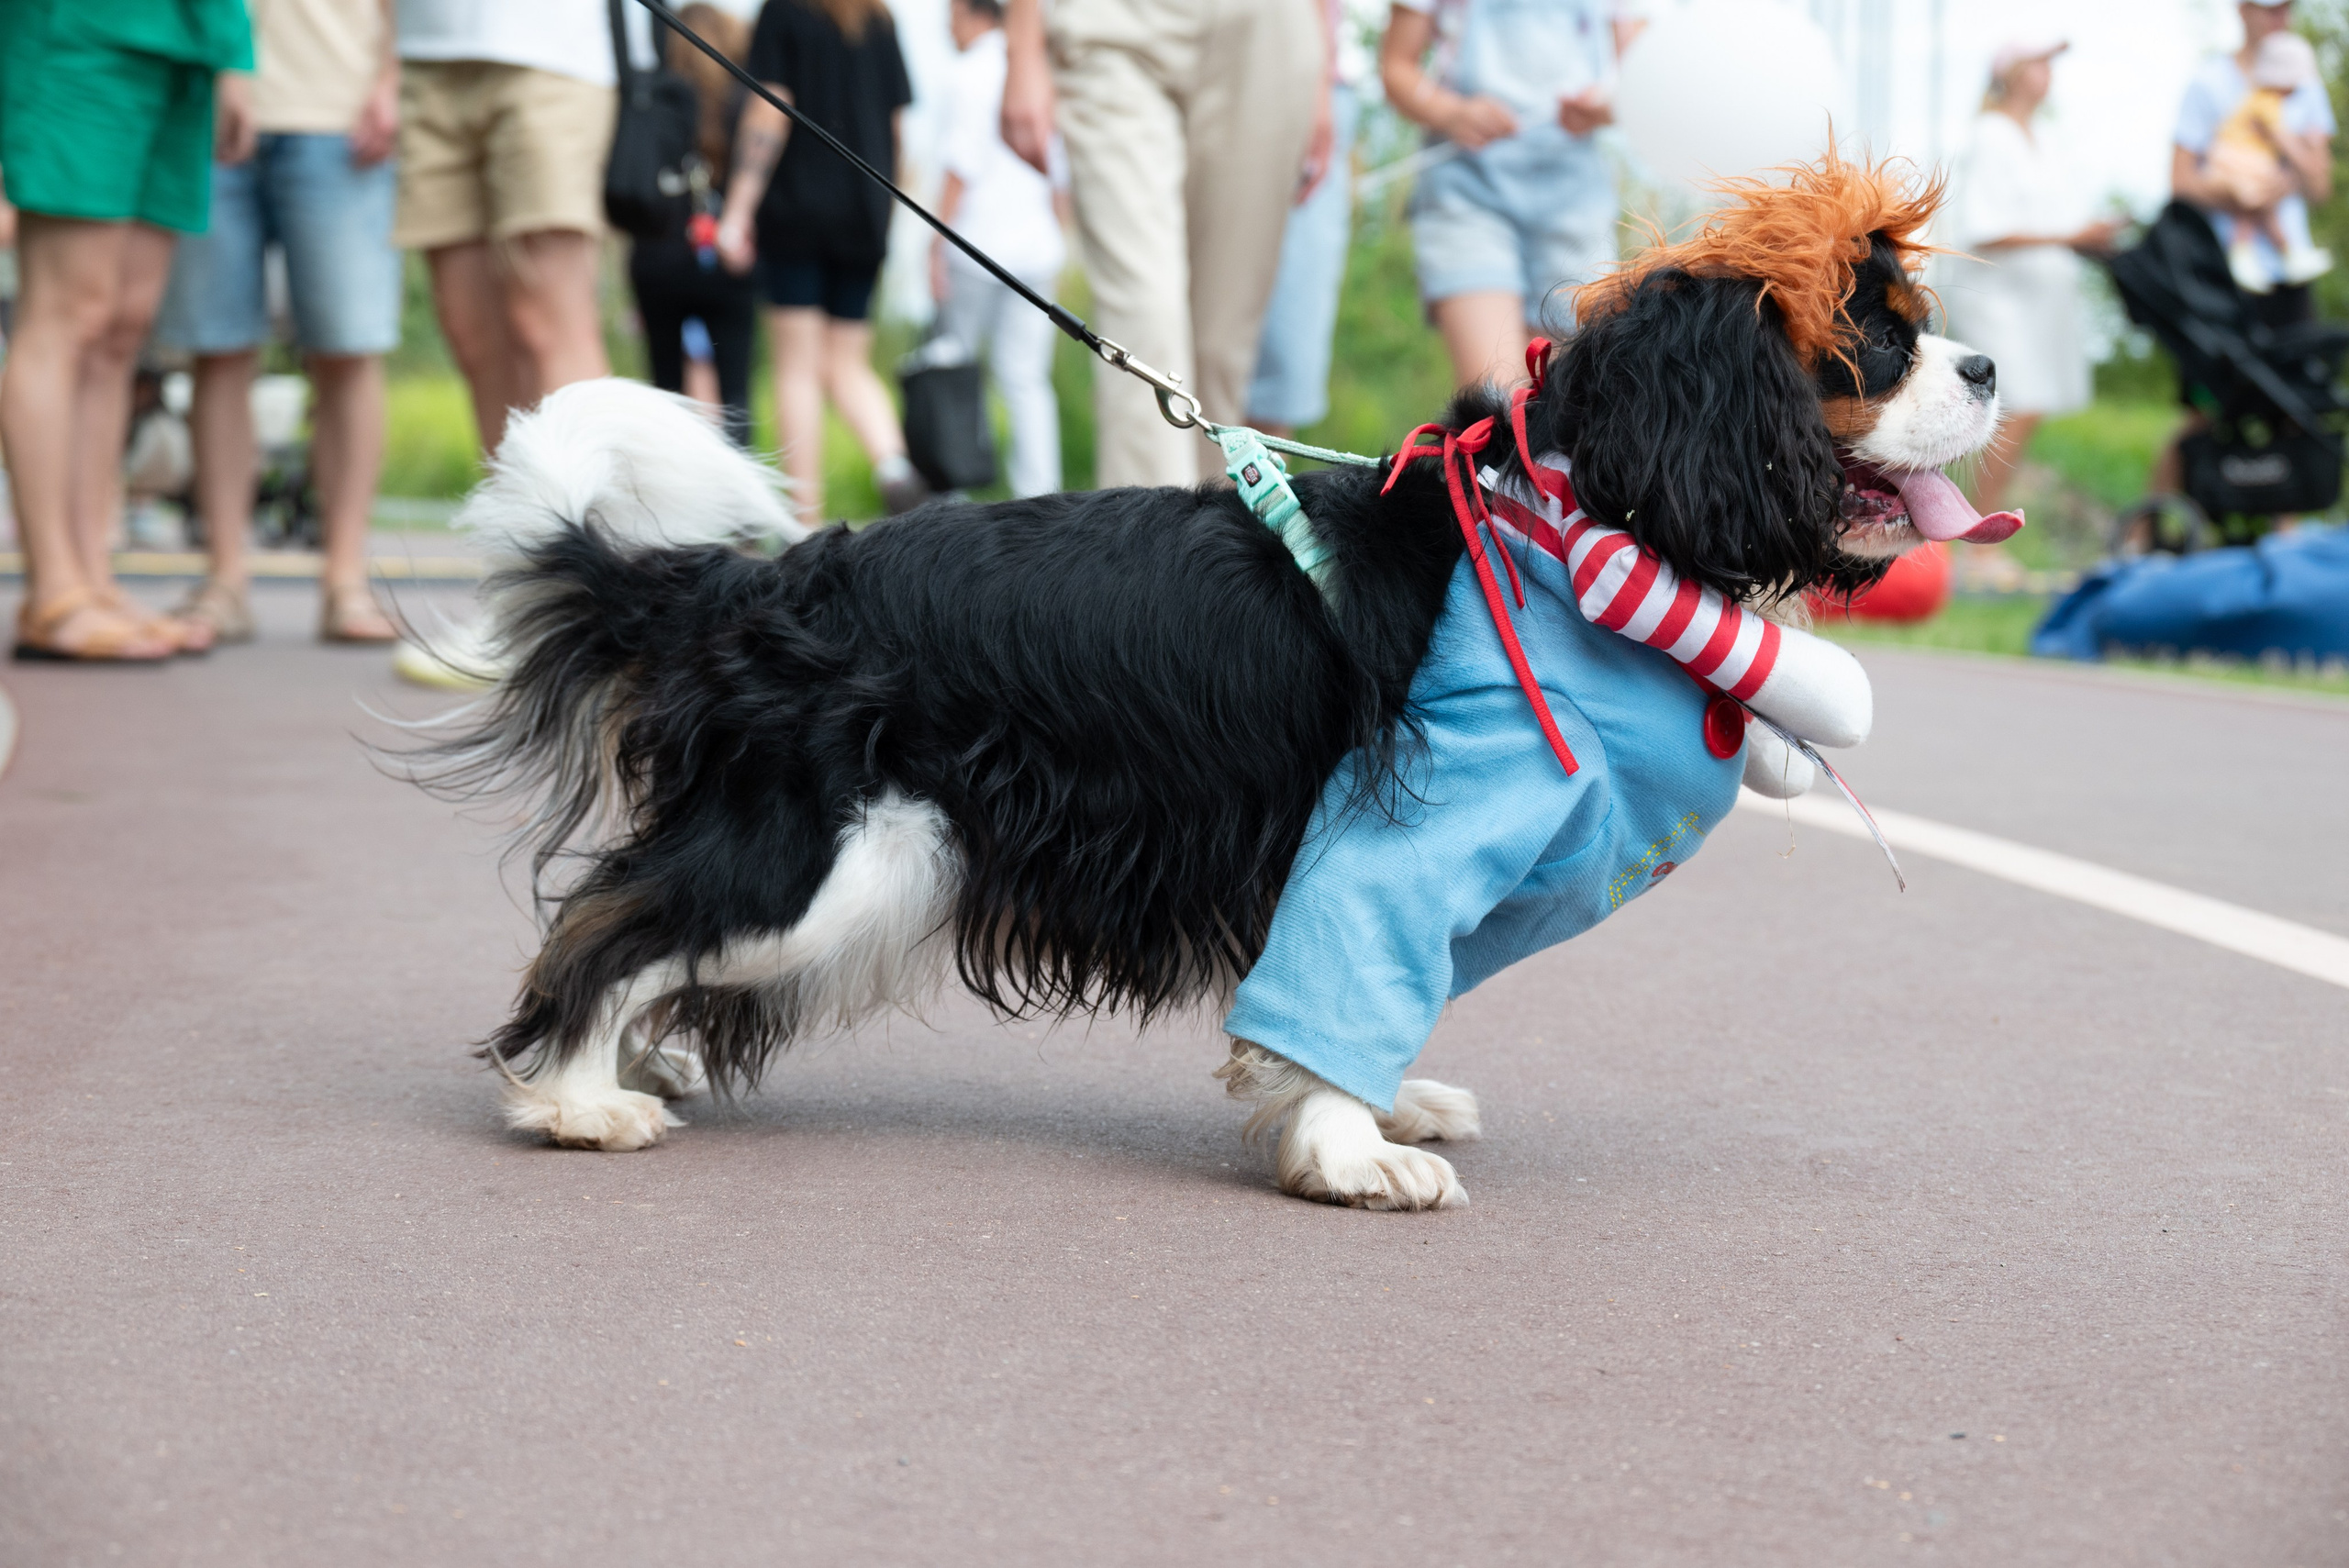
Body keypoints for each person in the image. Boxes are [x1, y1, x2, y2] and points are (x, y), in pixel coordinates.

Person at [0, 0, 252, 661]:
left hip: (185, 44)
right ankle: (53, 591)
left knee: (121, 331)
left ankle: (92, 578)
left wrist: (233, 54)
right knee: (65, 314)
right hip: (82, 33)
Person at [999, 0, 1330, 487]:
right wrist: (1023, 44)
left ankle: (1216, 533)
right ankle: (1148, 536)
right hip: (1114, 23)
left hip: (1266, 26)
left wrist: (1320, 73)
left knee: (1221, 347)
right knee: (1143, 328)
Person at [154, 0, 403, 646]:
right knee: (218, 350)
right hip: (206, 101)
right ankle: (224, 579)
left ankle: (345, 577)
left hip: (340, 107)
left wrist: (393, 78)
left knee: (349, 349)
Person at [717, 0, 924, 522]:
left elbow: (770, 110)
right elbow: (898, 130)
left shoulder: (784, 10)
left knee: (798, 369)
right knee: (848, 364)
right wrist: (883, 214)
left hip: (798, 214)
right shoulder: (879, 19)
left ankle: (803, 526)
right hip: (866, 215)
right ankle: (897, 471)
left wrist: (737, 210)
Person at [395, 0, 630, 458]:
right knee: (472, 335)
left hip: (551, 52)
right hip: (422, 55)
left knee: (547, 325)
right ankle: (517, 502)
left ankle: (596, 502)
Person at [1380, 0, 1638, 391]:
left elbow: (1638, 74)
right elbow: (1396, 65)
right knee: (1497, 399)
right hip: (1467, 193)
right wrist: (1451, 113)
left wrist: (1605, 104)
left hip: (1575, 202)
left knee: (1569, 399)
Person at [2157, 0, 2334, 497]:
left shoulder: (2306, 84)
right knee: (2205, 408)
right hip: (2221, 279)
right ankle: (2150, 526)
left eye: (2287, 9)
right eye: (2270, 9)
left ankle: (2284, 531)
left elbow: (2319, 184)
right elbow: (2181, 181)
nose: (2280, 19)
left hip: (2287, 274)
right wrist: (2236, 192)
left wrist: (2280, 178)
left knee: (2294, 406)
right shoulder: (2208, 83)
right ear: (2243, 10)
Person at [1940, 38, 2119, 516]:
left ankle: (1975, 527)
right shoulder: (1990, 134)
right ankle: (1977, 534)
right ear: (2014, 73)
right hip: (1998, 300)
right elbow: (1984, 228)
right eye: (2040, 63)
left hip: (2037, 303)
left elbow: (2061, 220)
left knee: (2023, 408)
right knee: (2013, 404)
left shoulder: (2046, 137)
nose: (2049, 72)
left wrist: (2090, 235)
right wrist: (2072, 235)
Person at [930, 0, 1065, 499]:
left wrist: (934, 243)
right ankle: (1042, 496)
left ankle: (952, 496)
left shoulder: (968, 73)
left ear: (972, 12)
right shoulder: (1042, 68)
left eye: (950, 13)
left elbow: (959, 164)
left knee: (956, 372)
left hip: (976, 248)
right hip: (1037, 249)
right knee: (1027, 379)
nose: (946, 25)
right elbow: (1059, 169)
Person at [1247, 0, 1385, 439]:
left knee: (1285, 357)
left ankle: (1258, 481)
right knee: (1204, 343)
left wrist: (1315, 83)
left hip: (1305, 80)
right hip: (1221, 64)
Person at [628, 4, 761, 448]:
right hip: (730, 258)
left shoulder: (653, 100)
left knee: (666, 392)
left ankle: (671, 481)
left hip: (658, 257)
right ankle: (740, 484)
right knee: (736, 394)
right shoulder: (744, 102)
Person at [2205, 29, 2332, 293]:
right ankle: (2273, 254)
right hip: (2242, 160)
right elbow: (2284, 141)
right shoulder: (2267, 103)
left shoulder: (2257, 98)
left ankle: (2274, 255)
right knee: (2261, 203)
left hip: (2236, 158)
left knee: (2257, 208)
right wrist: (2311, 163)